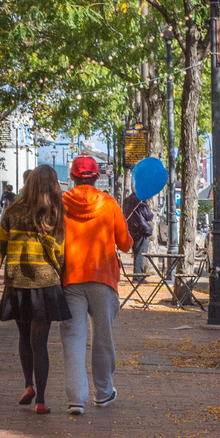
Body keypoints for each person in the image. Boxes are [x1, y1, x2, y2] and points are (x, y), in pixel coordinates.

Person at [0, 165, 71, 414]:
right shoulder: (55, 213)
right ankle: (41, 401)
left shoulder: (12, 210)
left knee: (24, 338)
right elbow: (59, 254)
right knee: (40, 342)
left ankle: (28, 385)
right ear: (53, 185)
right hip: (46, 285)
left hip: (17, 285)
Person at [60, 155, 132, 415]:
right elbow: (125, 243)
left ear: (72, 177)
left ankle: (76, 398)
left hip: (70, 278)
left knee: (73, 339)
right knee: (103, 337)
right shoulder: (109, 204)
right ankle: (103, 393)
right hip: (103, 278)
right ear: (96, 176)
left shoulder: (61, 204)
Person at [122, 192, 154, 282]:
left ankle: (137, 275)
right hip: (141, 230)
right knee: (140, 254)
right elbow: (148, 215)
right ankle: (138, 277)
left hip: (130, 229)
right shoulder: (141, 200)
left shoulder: (126, 200)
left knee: (136, 252)